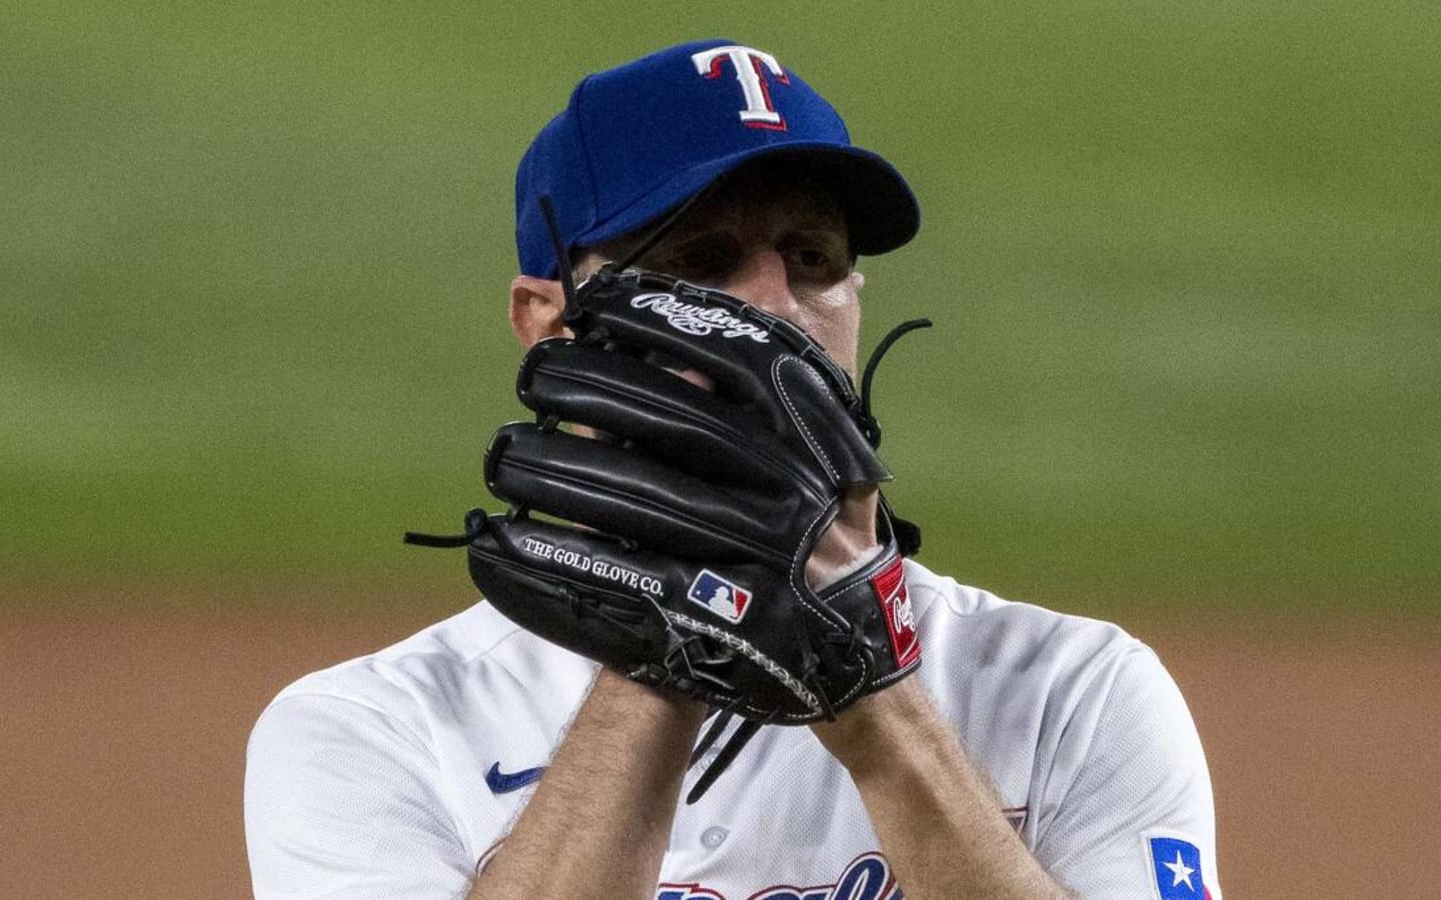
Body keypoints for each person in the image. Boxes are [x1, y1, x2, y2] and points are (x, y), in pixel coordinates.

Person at [245, 39, 1221, 900]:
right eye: (700, 261)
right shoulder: (370, 732)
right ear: (546, 324)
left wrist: (872, 694)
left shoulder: (1071, 693)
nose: (773, 306)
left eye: (811, 256)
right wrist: (661, 642)